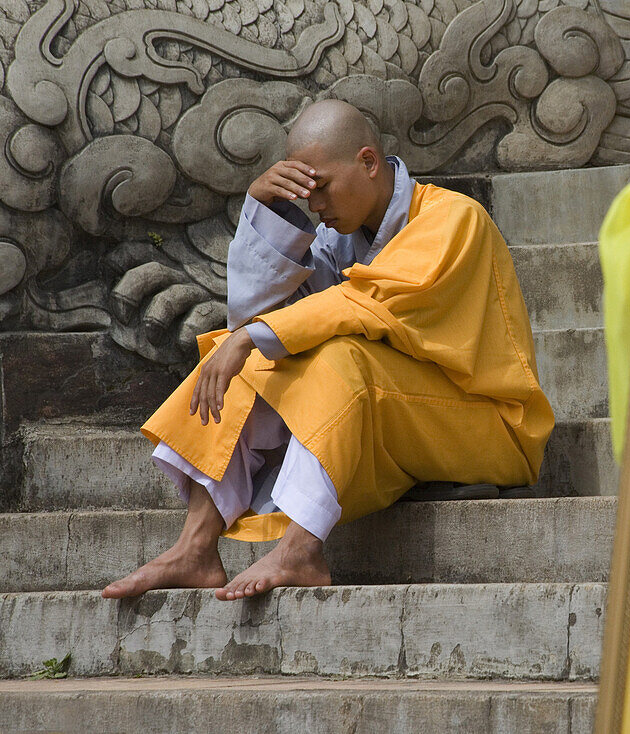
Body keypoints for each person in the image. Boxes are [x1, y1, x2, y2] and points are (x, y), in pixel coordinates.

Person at [102, 99, 554, 601]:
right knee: (248, 355)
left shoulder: (453, 218)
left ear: (367, 162)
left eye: (321, 188)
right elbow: (254, 318)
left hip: (490, 426)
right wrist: (268, 213)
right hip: (408, 415)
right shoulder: (337, 240)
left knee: (335, 356)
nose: (314, 204)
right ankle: (195, 547)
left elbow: (360, 305)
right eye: (306, 192)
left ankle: (301, 549)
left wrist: (252, 337)